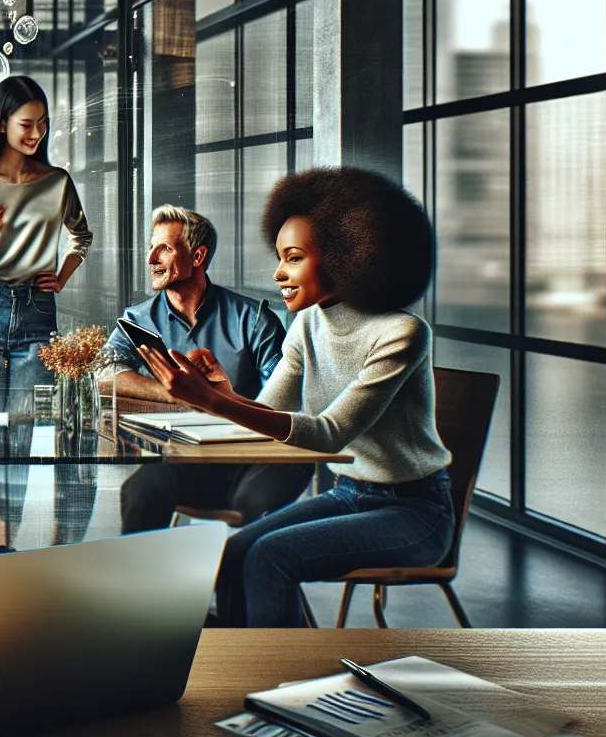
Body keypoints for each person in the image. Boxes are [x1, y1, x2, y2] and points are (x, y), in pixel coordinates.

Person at [137, 167, 453, 628]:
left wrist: (215, 403)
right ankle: (241, 670)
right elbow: (270, 412)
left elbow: (328, 435)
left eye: (294, 257)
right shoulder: (308, 323)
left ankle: (279, 683)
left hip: (414, 511)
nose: (278, 272)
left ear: (347, 257)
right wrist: (222, 394)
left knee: (270, 557)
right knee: (236, 549)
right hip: (349, 493)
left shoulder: (402, 333)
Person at [99, 205, 312, 532]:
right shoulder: (137, 319)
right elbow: (103, 375)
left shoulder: (254, 319)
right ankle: (144, 583)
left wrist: (215, 399)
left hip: (259, 459)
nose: (151, 258)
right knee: (140, 489)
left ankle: (252, 578)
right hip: (188, 460)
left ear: (197, 257)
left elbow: (286, 407)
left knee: (255, 510)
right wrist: (180, 394)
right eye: (151, 247)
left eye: (165, 248)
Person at [0, 75, 93, 539]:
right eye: (27, 124)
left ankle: (4, 535)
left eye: (43, 125)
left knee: (21, 430)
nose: (36, 134)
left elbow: (81, 236)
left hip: (37, 311)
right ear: (3, 122)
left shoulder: (57, 183)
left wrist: (63, 274)